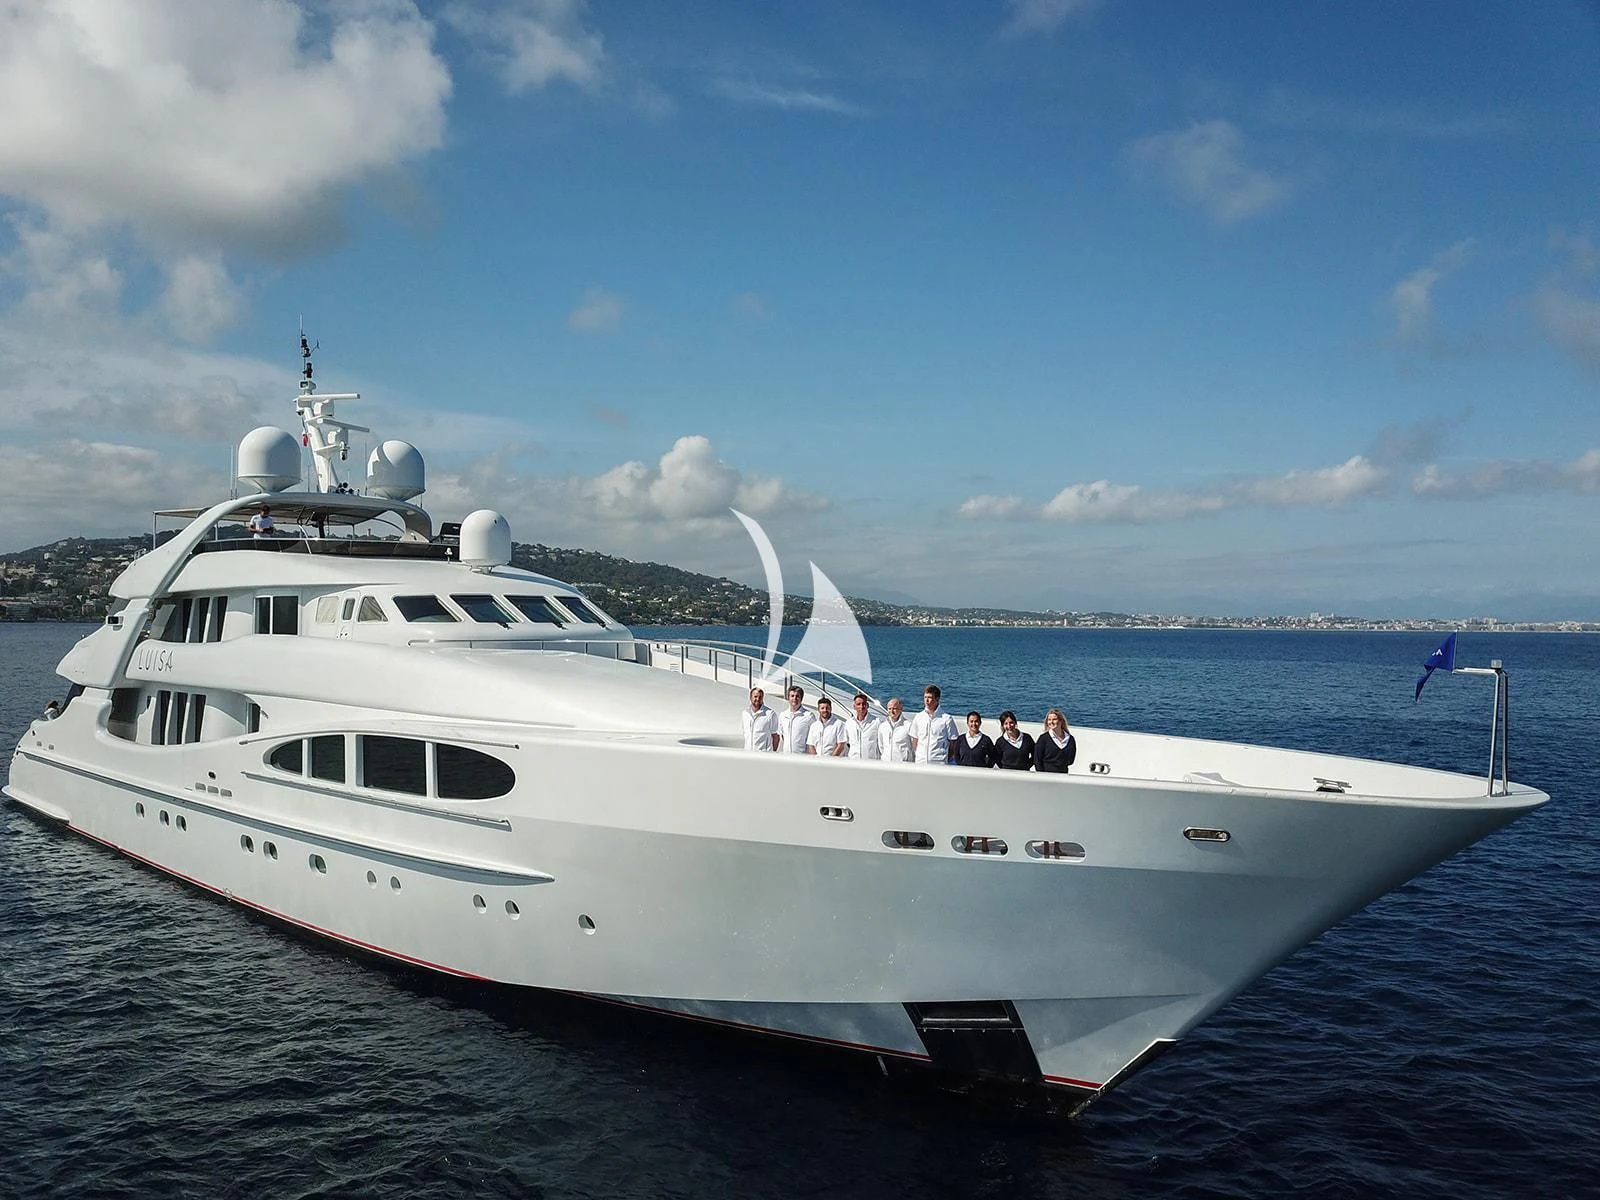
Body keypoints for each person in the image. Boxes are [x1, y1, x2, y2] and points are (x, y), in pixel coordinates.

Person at [908, 684, 959, 766]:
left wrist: (945, 758)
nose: (927, 700)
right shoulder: (918, 717)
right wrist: (919, 754)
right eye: (925, 697)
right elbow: (915, 740)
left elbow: (953, 743)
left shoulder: (946, 719)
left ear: (937, 699)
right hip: (921, 761)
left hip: (939, 762)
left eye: (930, 697)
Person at [1034, 707, 1077, 774]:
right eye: (1049, 720)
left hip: (1063, 775)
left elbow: (1070, 761)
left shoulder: (1070, 739)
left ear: (1061, 721)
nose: (1051, 722)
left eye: (1054, 719)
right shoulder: (1043, 738)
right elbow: (1037, 760)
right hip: (1046, 776)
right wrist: (1041, 776)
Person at [777, 685, 814, 755]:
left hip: (802, 758)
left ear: (801, 698)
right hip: (786, 757)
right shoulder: (783, 715)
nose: (795, 698)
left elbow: (814, 738)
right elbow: (782, 736)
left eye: (797, 696)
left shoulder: (808, 716)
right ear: (788, 698)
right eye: (792, 696)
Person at [844, 693, 882, 760]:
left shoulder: (876, 722)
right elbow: (846, 743)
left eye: (863, 704)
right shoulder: (849, 723)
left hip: (871, 763)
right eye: (858, 704)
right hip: (853, 762)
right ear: (854, 706)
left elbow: (882, 743)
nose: (861, 707)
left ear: (867, 705)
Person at [741, 686, 779, 752]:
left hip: (763, 755)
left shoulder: (770, 714)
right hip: (747, 754)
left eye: (760, 697)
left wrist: (773, 753)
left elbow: (775, 736)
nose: (758, 699)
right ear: (750, 698)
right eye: (755, 697)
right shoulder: (745, 713)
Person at [878, 697, 915, 762]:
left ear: (901, 709)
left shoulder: (908, 726)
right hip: (886, 764)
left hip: (903, 765)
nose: (891, 711)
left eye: (894, 709)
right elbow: (881, 746)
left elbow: (914, 747)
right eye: (889, 709)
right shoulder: (883, 726)